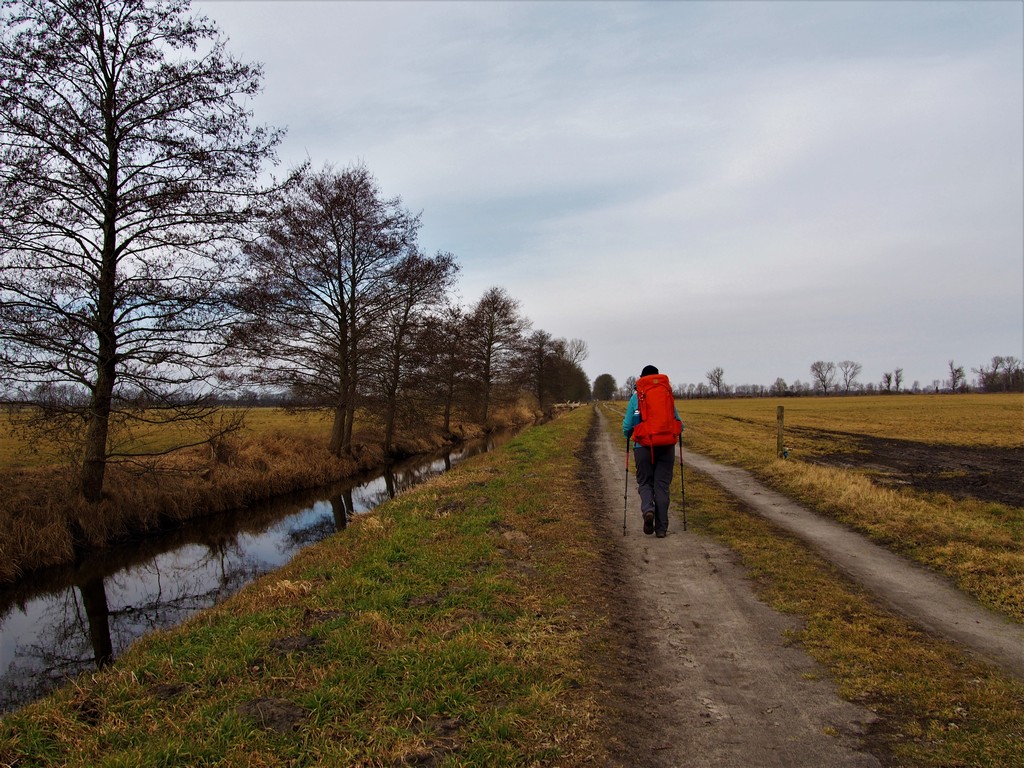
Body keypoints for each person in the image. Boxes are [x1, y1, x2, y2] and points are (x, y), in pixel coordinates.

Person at [622, 364, 681, 538]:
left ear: (641, 379)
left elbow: (627, 425)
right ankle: (661, 529)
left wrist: (628, 434)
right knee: (662, 485)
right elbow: (678, 421)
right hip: (666, 446)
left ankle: (648, 509)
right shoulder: (666, 394)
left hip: (643, 447)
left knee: (645, 482)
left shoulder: (637, 397)